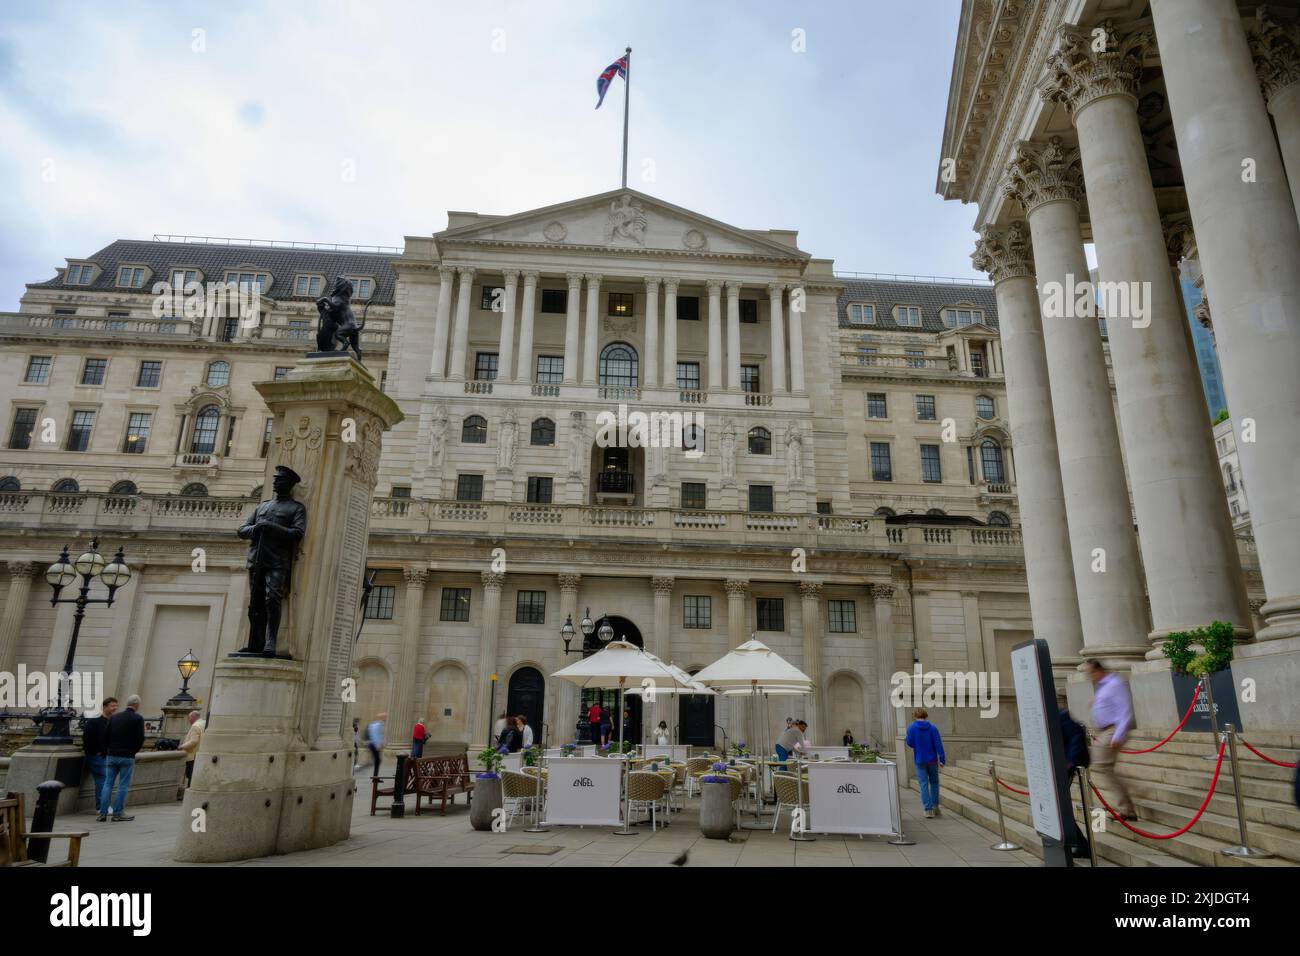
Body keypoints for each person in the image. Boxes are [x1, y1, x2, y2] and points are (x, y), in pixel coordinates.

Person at [1085, 659, 1137, 820]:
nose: (1089, 676)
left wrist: (1118, 734)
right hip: (1104, 731)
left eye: (1090, 672)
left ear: (1098, 670)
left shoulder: (1115, 684)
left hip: (1113, 729)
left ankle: (1129, 803)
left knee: (1101, 765)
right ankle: (1129, 801)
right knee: (1104, 767)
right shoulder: (1103, 686)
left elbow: (1125, 710)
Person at [100, 694, 145, 822]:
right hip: (127, 756)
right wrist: (133, 751)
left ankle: (103, 813)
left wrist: (109, 749)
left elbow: (106, 736)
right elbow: (140, 739)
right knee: (123, 785)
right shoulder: (138, 719)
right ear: (136, 705)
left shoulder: (114, 717)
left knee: (108, 783)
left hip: (112, 754)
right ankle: (117, 813)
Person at [1059, 707, 1092, 859]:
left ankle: (1081, 844)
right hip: (1057, 767)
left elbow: (1075, 738)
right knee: (1059, 808)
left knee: (1061, 807)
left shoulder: (1061, 715)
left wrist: (1069, 763)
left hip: (1065, 767)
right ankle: (1078, 843)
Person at [905, 707, 945, 818]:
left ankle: (928, 810)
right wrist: (942, 759)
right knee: (934, 783)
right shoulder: (933, 728)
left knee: (923, 784)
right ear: (926, 716)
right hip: (932, 760)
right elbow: (938, 744)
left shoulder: (911, 728)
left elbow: (909, 743)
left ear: (915, 716)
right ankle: (935, 806)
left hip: (919, 759)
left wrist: (917, 744)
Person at [83, 697, 118, 817]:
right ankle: (101, 807)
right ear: (105, 707)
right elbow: (87, 740)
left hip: (107, 756)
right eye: (112, 706)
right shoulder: (94, 722)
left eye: (116, 706)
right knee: (103, 781)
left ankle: (103, 806)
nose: (115, 708)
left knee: (105, 781)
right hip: (96, 757)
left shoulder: (112, 722)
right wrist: (97, 752)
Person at [179, 710, 206, 786]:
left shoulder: (195, 726)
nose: (189, 720)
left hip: (192, 755)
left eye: (189, 718)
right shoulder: (204, 723)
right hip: (200, 754)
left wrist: (181, 746)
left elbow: (193, 741)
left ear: (193, 717)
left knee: (190, 776)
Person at [366, 712, 386, 779]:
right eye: (384, 717)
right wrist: (378, 745)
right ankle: (375, 777)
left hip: (372, 744)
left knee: (377, 760)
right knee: (377, 760)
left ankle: (375, 777)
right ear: (381, 717)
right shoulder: (378, 725)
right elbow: (375, 735)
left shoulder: (375, 724)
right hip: (374, 744)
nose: (385, 718)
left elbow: (378, 735)